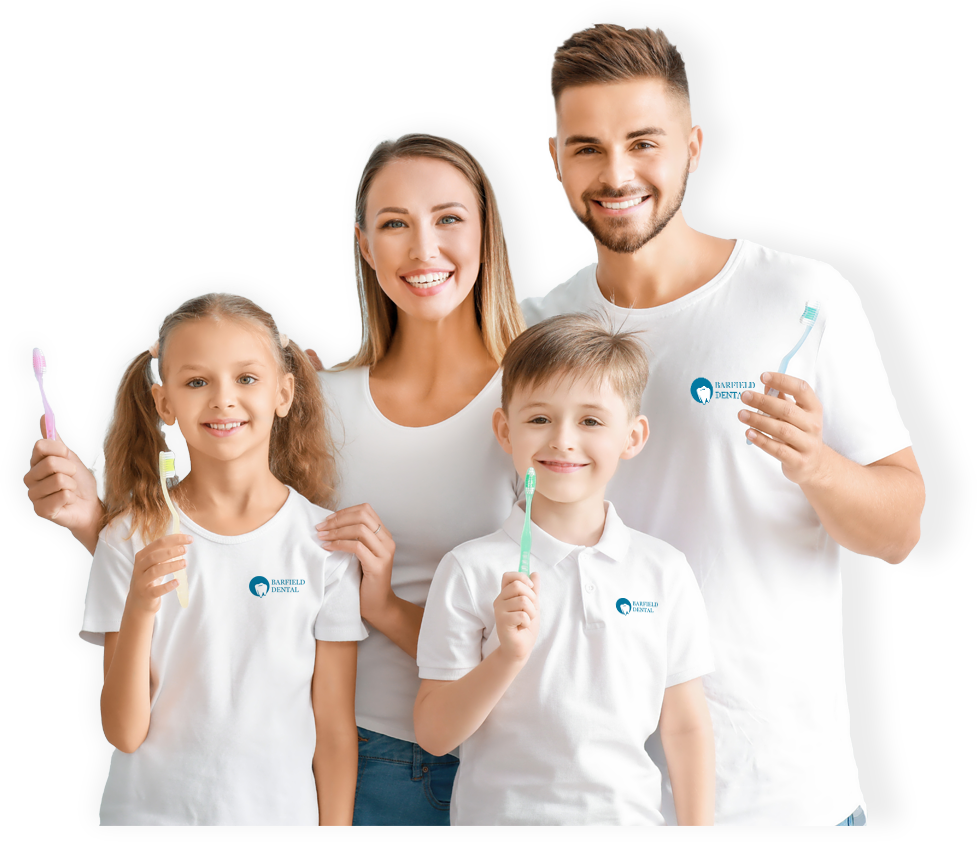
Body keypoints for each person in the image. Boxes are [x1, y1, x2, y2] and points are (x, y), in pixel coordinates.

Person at [26, 128, 529, 826]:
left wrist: (381, 602)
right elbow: (223, 557)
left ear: (487, 230)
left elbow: (547, 630)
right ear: (362, 244)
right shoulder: (328, 404)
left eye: (448, 217)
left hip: (508, 756)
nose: (422, 248)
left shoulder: (542, 411)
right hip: (364, 757)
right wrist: (96, 526)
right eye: (393, 223)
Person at [520, 21, 925, 826]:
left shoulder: (802, 296)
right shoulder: (531, 328)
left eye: (644, 142)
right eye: (587, 147)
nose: (616, 173)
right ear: (556, 158)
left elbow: (902, 530)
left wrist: (817, 466)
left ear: (695, 146)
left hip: (781, 791)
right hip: (592, 795)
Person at [75, 291, 366, 824]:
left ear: (284, 392)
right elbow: (122, 731)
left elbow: (335, 731)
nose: (223, 400)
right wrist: (140, 608)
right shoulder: (128, 539)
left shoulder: (323, 546)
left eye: (246, 379)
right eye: (196, 382)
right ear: (166, 404)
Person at [414, 313, 716, 826]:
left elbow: (686, 727)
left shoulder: (663, 571)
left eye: (591, 421)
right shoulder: (469, 570)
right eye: (539, 419)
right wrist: (506, 657)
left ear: (633, 436)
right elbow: (435, 733)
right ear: (504, 431)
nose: (563, 440)